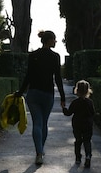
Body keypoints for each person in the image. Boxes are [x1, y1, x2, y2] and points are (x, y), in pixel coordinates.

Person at [16, 30, 66, 165]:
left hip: (33, 94)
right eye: (54, 39)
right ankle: (40, 150)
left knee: (37, 123)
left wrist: (20, 92)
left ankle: (39, 152)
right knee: (43, 123)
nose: (55, 41)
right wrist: (62, 96)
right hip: (47, 94)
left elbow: (28, 76)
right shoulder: (55, 56)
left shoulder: (33, 55)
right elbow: (58, 78)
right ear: (49, 40)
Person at [63, 80, 95, 168]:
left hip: (77, 124)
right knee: (87, 141)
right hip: (88, 124)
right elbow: (93, 113)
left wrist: (64, 108)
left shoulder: (75, 102)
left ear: (76, 90)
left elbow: (68, 113)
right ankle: (88, 156)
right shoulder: (90, 102)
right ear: (88, 90)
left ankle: (78, 158)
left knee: (78, 140)